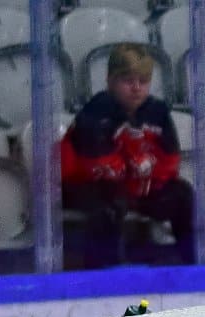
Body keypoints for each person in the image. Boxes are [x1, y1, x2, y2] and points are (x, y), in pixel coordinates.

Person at [59, 45, 194, 268]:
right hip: (85, 186)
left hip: (137, 184)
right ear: (110, 81)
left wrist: (147, 180)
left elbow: (170, 157)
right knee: (108, 204)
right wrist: (140, 173)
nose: (136, 88)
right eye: (127, 80)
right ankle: (104, 275)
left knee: (182, 194)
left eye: (143, 81)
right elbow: (98, 167)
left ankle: (195, 266)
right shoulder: (96, 111)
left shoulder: (157, 110)